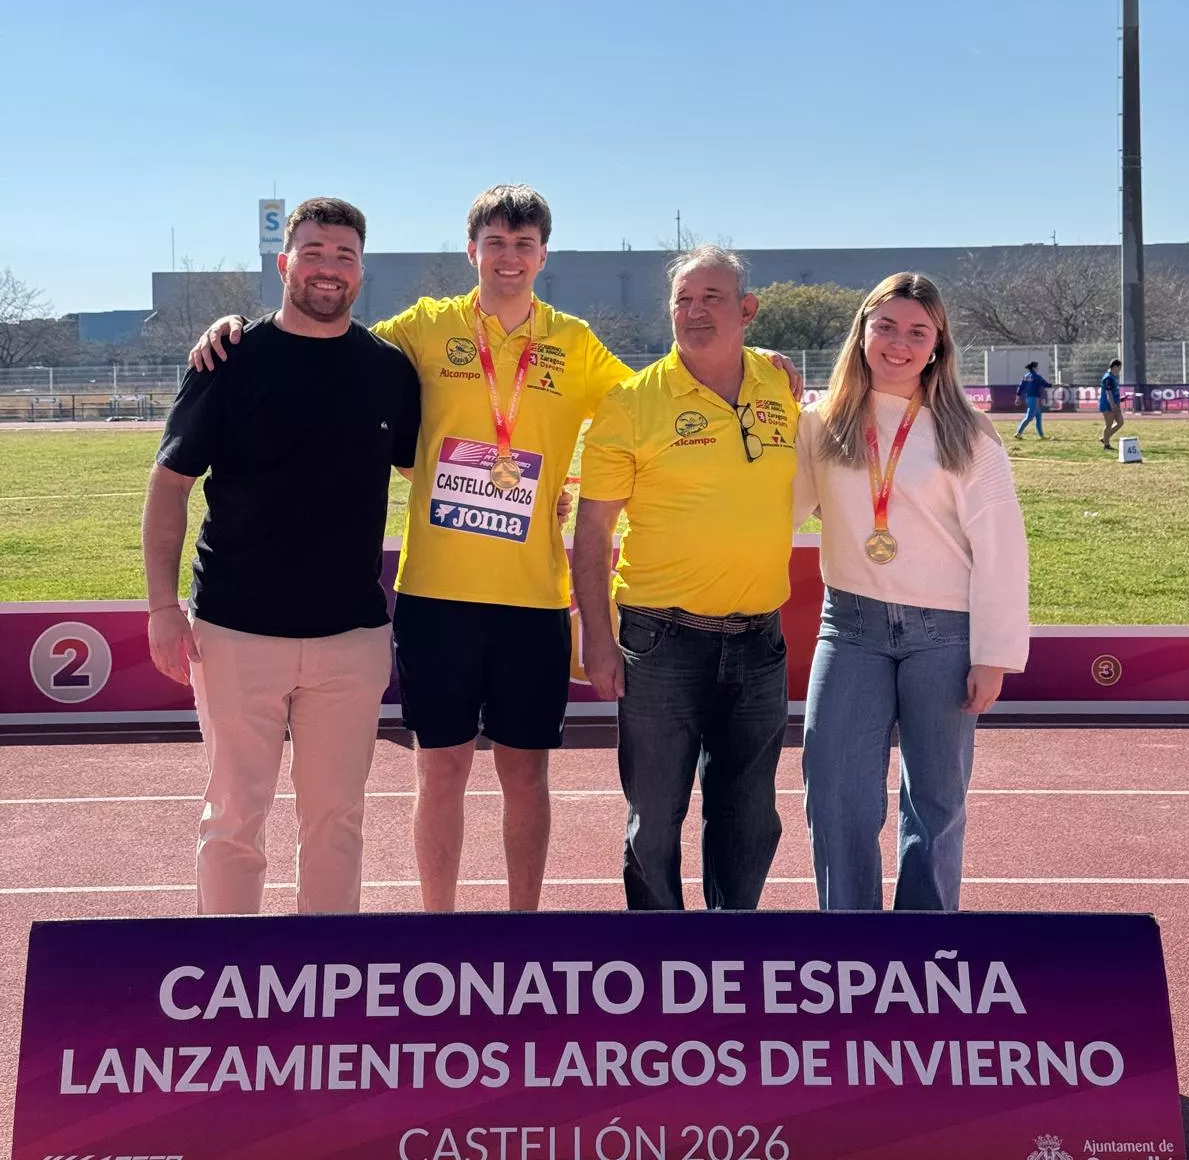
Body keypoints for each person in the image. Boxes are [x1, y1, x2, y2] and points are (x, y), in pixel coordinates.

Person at [190, 186, 802, 912]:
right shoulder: (422, 328)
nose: (508, 258)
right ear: (471, 249)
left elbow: (649, 396)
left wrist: (750, 353)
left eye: (524, 245)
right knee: (440, 771)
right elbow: (326, 333)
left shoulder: (572, 343)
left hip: (533, 598)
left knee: (525, 775)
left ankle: (521, 929)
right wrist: (237, 327)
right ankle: (441, 929)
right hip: (436, 595)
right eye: (495, 244)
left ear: (543, 255)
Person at [142, 198, 421, 915]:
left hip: (350, 636)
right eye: (315, 252)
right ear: (284, 262)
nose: (329, 269)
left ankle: (324, 986)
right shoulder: (230, 358)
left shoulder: (389, 368)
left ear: (362, 271)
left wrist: (537, 495)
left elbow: (433, 471)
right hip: (236, 630)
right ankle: (227, 980)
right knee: (234, 818)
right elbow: (169, 484)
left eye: (344, 256)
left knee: (336, 822)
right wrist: (162, 608)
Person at [793, 272, 1029, 913]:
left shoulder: (968, 435)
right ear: (863, 332)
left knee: (936, 801)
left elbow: (1002, 547)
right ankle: (849, 944)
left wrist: (994, 655)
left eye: (917, 333)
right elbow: (776, 513)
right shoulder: (821, 425)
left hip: (944, 637)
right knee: (834, 790)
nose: (899, 344)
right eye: (887, 327)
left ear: (937, 346)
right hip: (851, 629)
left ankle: (924, 949)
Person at [573, 247, 797, 912]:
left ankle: (730, 953)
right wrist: (597, 638)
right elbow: (591, 537)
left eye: (713, 298)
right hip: (659, 641)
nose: (695, 312)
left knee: (751, 818)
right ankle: (659, 966)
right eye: (683, 300)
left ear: (747, 310)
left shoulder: (777, 385)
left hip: (760, 643)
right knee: (655, 819)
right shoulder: (629, 404)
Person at [1014, 360, 1051, 439]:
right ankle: (1018, 433)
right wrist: (1056, 385)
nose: (1038, 368)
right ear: (1034, 368)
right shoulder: (1037, 377)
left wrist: (1017, 397)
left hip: (1028, 398)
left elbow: (1020, 387)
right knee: (1029, 417)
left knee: (1038, 416)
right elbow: (1046, 384)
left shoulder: (1026, 376)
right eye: (1037, 367)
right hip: (1034, 399)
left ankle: (1042, 436)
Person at [1100, 358, 1124, 450]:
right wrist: (1112, 404)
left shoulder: (1113, 377)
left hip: (1115, 404)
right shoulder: (1108, 378)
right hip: (1108, 405)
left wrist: (1119, 400)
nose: (1120, 370)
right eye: (1119, 368)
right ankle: (1106, 445)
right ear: (1115, 367)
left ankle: (1105, 438)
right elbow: (1108, 393)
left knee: (1120, 422)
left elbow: (1113, 392)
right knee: (1108, 424)